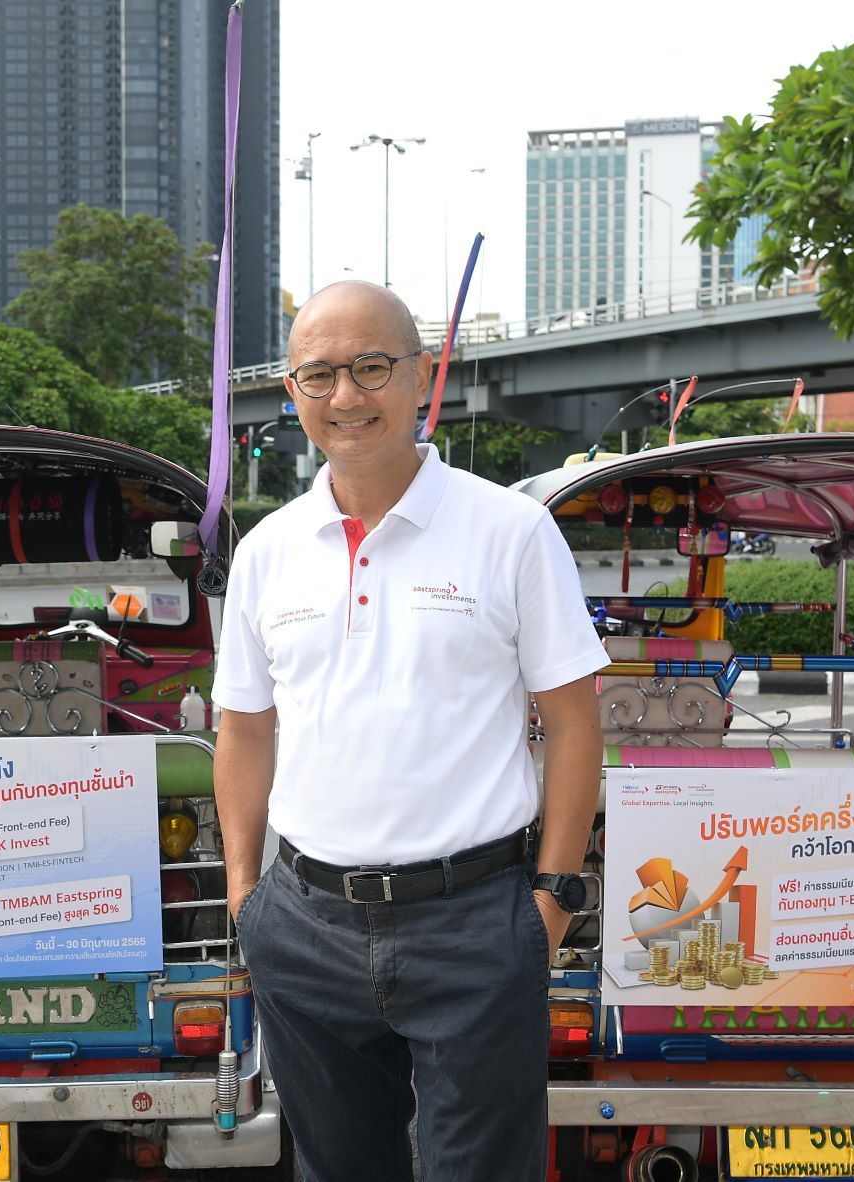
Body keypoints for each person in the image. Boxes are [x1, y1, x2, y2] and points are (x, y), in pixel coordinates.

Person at [212, 280, 607, 1182]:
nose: (345, 396)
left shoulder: (509, 530)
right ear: (292, 391)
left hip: (475, 921)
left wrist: (552, 899)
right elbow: (244, 728)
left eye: (370, 367)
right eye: (318, 375)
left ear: (421, 375)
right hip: (304, 925)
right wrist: (244, 898)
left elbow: (574, 723)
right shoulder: (268, 549)